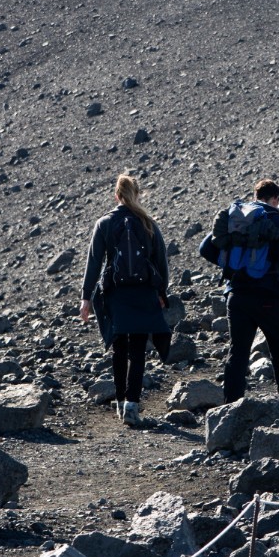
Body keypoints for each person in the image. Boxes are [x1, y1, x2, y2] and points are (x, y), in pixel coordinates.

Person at [200, 179, 279, 411]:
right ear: (275, 199)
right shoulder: (277, 219)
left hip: (237, 296)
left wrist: (231, 265)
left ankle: (228, 411)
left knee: (238, 354)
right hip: (269, 297)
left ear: (255, 196)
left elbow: (205, 248)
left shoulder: (236, 217)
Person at [81, 172, 172, 426]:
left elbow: (94, 262)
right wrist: (162, 292)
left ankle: (120, 403)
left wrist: (86, 298)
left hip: (116, 294)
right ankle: (132, 404)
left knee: (119, 349)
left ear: (116, 195)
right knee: (138, 350)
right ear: (137, 195)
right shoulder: (148, 223)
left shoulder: (105, 223)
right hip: (143, 293)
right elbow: (160, 261)